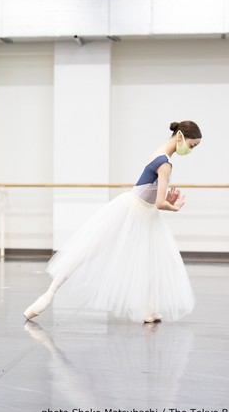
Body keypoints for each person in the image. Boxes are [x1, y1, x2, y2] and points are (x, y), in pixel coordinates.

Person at [24, 121, 202, 324]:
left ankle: (149, 310)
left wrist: (165, 200)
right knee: (90, 249)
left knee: (150, 260)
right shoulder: (166, 163)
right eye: (192, 145)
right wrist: (174, 206)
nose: (191, 150)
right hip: (133, 210)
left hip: (143, 211)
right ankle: (48, 294)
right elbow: (160, 203)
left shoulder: (161, 154)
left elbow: (154, 195)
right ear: (180, 137)